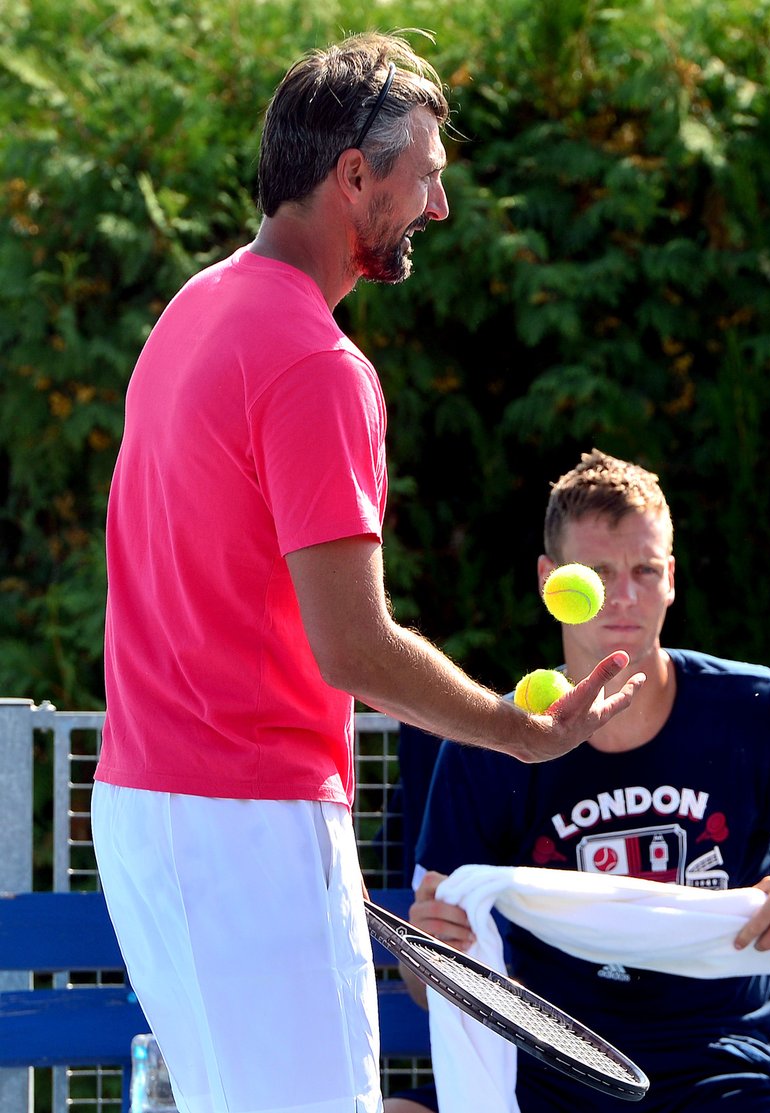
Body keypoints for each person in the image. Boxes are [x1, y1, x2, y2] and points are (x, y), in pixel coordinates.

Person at [90, 38, 644, 1113]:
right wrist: (517, 728)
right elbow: (351, 649)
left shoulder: (194, 308)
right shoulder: (316, 363)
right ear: (355, 175)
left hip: (149, 808)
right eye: (426, 173)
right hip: (244, 820)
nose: (437, 204)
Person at [387, 449, 770, 1113]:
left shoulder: (757, 709)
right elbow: (423, 973)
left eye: (645, 570)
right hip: (544, 1070)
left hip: (720, 1070)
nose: (625, 595)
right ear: (551, 580)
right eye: (597, 573)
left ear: (671, 577)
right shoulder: (491, 742)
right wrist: (431, 952)